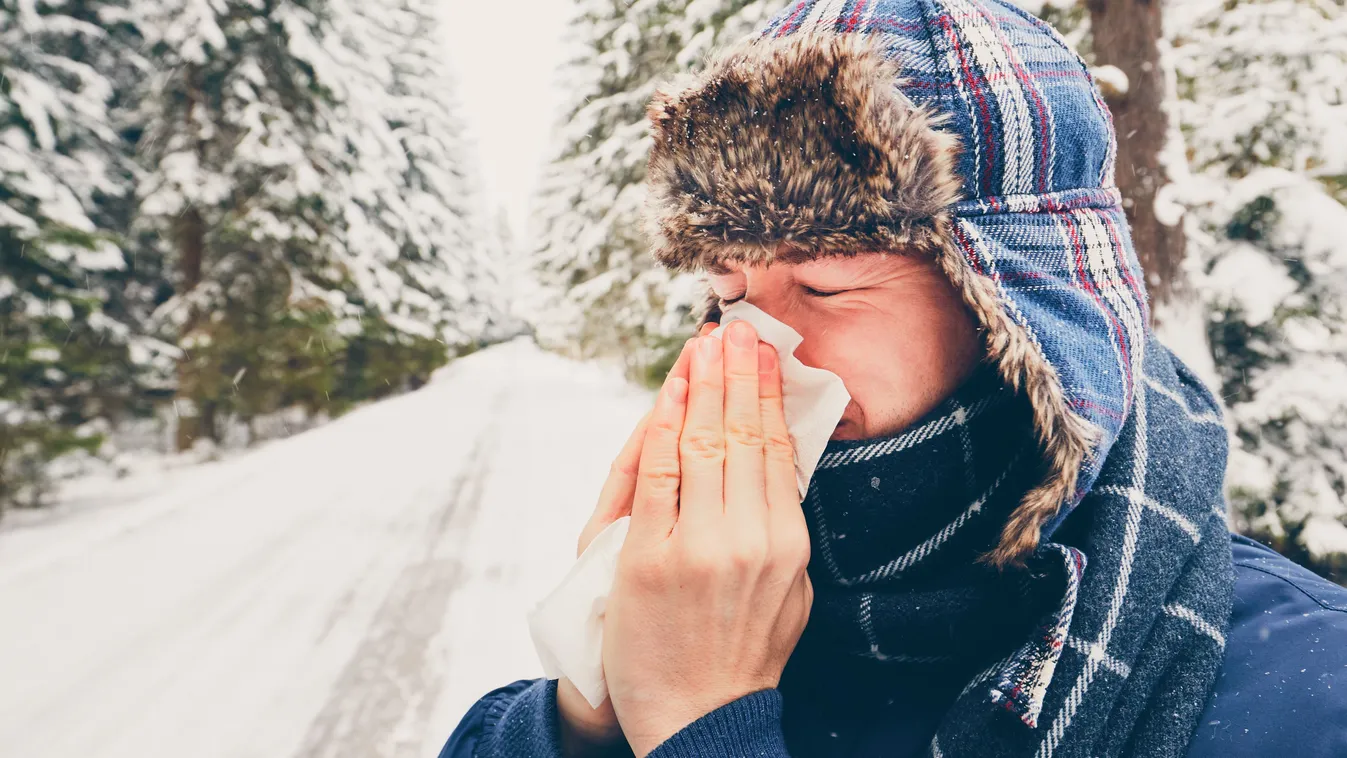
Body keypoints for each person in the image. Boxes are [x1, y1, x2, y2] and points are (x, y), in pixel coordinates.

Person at [439, 0, 1347, 756]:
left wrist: (701, 724)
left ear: (1020, 309)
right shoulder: (716, 592)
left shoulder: (1299, 689)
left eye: (827, 284)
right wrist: (590, 708)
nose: (751, 345)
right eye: (725, 287)